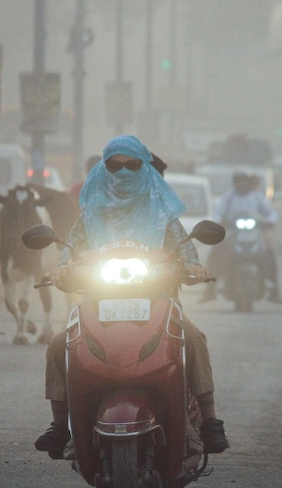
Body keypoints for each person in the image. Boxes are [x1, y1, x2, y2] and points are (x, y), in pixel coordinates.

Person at [34, 135, 229, 458]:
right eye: (114, 165)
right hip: (98, 304)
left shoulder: (163, 215)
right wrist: (61, 271)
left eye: (132, 165)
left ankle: (209, 420)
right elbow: (69, 257)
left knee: (194, 338)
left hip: (160, 302)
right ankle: (60, 425)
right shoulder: (89, 215)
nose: (123, 172)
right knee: (59, 344)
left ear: (145, 169)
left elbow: (185, 250)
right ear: (103, 169)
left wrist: (194, 268)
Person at [199, 171, 282, 304]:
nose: (242, 185)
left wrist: (270, 221)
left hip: (254, 234)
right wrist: (220, 222)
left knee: (269, 254)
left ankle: (274, 291)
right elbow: (217, 214)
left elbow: (270, 213)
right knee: (216, 253)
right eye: (239, 182)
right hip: (231, 235)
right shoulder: (228, 198)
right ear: (235, 184)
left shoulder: (257, 197)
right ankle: (209, 290)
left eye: (244, 182)